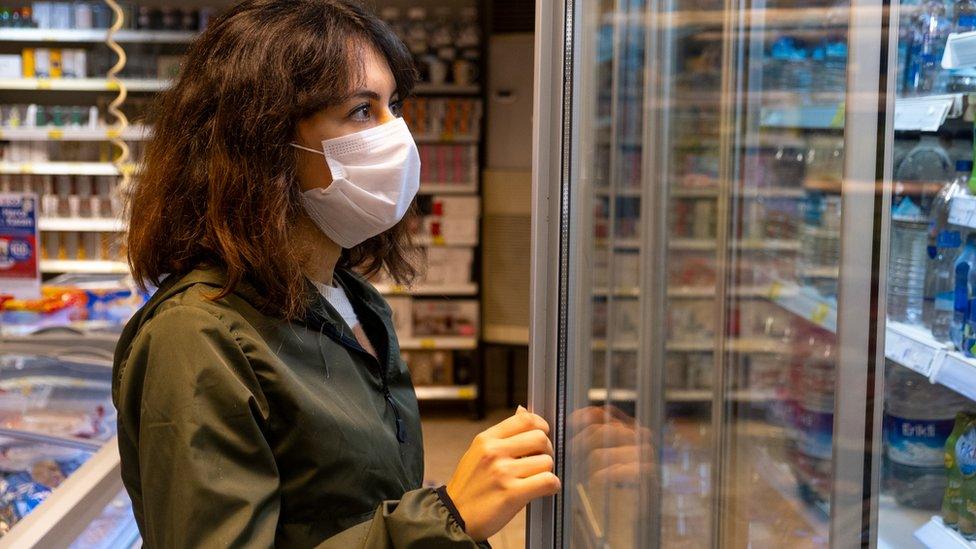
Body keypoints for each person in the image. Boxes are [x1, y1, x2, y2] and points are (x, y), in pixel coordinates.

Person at [112, 0, 560, 546]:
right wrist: (446, 516)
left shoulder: (351, 299)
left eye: (394, 105)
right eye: (361, 111)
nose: (398, 136)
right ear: (263, 140)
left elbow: (353, 505)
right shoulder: (194, 336)